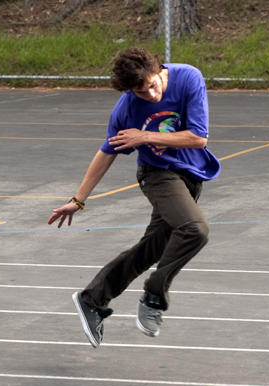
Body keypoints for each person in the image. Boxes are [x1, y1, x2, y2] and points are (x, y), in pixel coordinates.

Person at [48, 47, 220, 348]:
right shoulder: (126, 108)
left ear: (158, 70)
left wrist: (145, 136)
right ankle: (154, 296)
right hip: (158, 175)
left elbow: (197, 137)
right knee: (195, 229)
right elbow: (107, 152)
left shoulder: (188, 78)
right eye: (141, 92)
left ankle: (92, 299)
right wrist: (77, 200)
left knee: (151, 249)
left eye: (153, 85)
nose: (151, 95)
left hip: (191, 175)